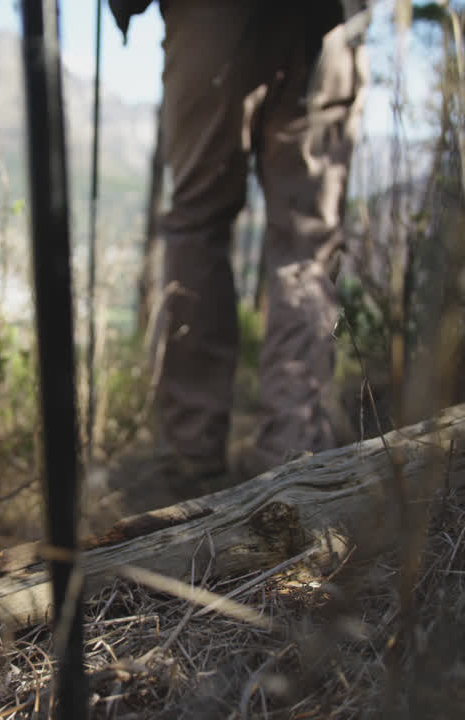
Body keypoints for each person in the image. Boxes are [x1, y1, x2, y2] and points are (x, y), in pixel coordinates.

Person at [111, 0, 370, 489]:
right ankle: (296, 458)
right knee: (306, 245)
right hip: (327, 19)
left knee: (197, 224)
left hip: (212, 16)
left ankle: (191, 459)